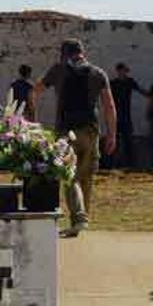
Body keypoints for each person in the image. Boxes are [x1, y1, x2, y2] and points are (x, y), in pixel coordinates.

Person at [34, 39, 117, 238]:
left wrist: (33, 119)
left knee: (69, 176)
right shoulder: (98, 73)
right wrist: (112, 134)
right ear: (82, 53)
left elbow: (35, 90)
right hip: (91, 130)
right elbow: (109, 106)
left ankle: (79, 219)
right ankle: (82, 221)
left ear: (64, 54)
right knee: (86, 177)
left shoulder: (58, 70)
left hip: (66, 131)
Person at [109, 62, 147, 168]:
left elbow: (141, 90)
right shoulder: (113, 84)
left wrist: (151, 95)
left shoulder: (129, 82)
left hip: (125, 116)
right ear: (119, 71)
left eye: (126, 71)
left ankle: (129, 164)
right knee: (116, 141)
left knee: (127, 141)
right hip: (116, 116)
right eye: (123, 71)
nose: (125, 73)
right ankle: (114, 164)